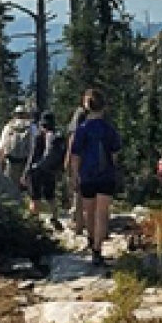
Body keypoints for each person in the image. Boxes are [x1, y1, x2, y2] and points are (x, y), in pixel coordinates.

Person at [68, 89, 123, 265]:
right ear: (104, 107)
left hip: (87, 174)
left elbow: (75, 155)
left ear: (86, 106)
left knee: (89, 212)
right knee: (102, 213)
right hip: (106, 174)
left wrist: (75, 174)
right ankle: (98, 249)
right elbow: (115, 155)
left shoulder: (82, 130)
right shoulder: (109, 129)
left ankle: (92, 241)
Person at [24, 111, 63, 220]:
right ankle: (55, 216)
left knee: (35, 196)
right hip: (51, 170)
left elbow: (33, 154)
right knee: (50, 195)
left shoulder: (39, 136)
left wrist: (27, 171)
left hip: (37, 169)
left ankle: (34, 219)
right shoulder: (57, 136)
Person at [0, 104, 34, 191]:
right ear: (25, 114)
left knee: (10, 187)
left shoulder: (8, 127)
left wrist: (0, 163)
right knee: (27, 188)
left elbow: (1, 146)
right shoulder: (31, 127)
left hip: (11, 161)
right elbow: (34, 145)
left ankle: (14, 201)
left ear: (15, 114)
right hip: (26, 161)